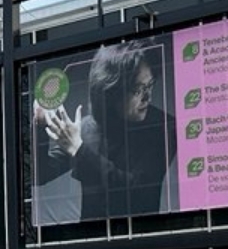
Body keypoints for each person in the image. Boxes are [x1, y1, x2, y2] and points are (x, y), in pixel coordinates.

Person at [39, 41, 176, 219]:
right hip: (91, 239)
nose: (147, 97)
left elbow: (137, 191)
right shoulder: (87, 128)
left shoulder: (163, 126)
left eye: (149, 85)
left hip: (142, 238)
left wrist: (79, 150)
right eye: (137, 90)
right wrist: (39, 124)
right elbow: (41, 175)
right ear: (111, 91)